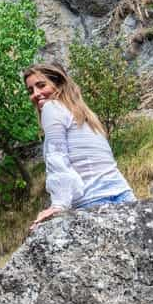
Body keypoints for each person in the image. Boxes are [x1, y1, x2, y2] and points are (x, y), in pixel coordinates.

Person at [23, 62, 135, 231]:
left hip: (92, 201)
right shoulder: (86, 114)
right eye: (30, 90)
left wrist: (59, 204)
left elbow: (57, 156)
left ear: (58, 83)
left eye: (41, 85)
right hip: (124, 195)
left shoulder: (51, 108)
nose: (36, 94)